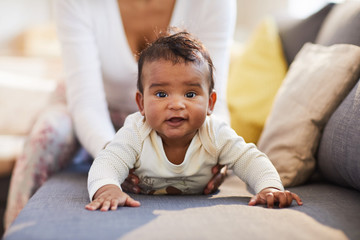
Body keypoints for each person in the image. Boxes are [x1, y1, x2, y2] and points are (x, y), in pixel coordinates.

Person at [5, 0, 236, 229]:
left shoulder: (213, 3)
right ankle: (15, 228)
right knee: (47, 134)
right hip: (90, 109)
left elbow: (213, 97)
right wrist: (116, 159)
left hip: (161, 121)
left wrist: (215, 154)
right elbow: (87, 102)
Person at [86, 30, 303, 211]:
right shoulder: (136, 131)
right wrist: (108, 188)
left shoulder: (214, 133)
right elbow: (108, 162)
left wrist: (269, 187)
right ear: (141, 103)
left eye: (190, 94)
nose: (176, 104)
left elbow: (250, 159)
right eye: (161, 94)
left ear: (210, 103)